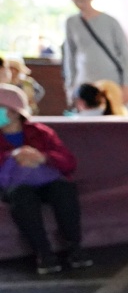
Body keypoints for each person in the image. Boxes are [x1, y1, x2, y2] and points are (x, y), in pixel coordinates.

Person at [0, 84, 92, 275]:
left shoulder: (41, 132)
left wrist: (43, 157)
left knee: (64, 189)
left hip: (46, 181)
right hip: (13, 185)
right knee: (22, 196)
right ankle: (43, 253)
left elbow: (68, 163)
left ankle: (75, 248)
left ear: (15, 112)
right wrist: (12, 156)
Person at [62, 0, 128, 105]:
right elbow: (70, 56)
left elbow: (125, 54)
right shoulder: (71, 23)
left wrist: (127, 84)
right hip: (85, 80)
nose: (79, 3)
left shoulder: (110, 22)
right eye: (76, 0)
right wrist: (70, 85)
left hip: (111, 78)